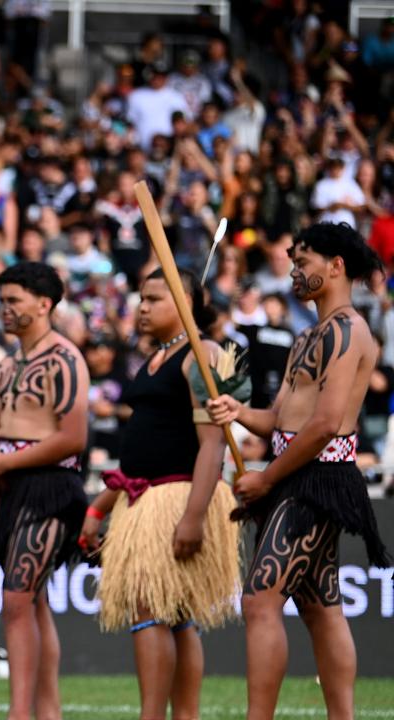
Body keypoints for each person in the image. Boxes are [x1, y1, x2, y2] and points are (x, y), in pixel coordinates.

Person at [208, 223, 391, 720]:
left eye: (303, 262)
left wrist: (267, 478)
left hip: (317, 476)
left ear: (336, 266)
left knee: (260, 600)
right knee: (319, 605)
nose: (293, 271)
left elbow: (327, 424)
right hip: (298, 471)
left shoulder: (349, 330)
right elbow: (279, 419)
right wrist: (236, 411)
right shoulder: (307, 335)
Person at [80, 268, 241, 720]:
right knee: (172, 614)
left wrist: (193, 516)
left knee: (153, 607)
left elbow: (213, 445)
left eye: (154, 298)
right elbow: (138, 454)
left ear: (188, 302)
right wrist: (99, 507)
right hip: (140, 497)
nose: (142, 307)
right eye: (141, 298)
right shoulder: (154, 357)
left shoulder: (204, 353)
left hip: (179, 497)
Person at [0, 261, 89, 720]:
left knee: (17, 599)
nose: (4, 309)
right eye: (2, 300)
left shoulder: (65, 358)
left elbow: (73, 438)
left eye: (13, 300)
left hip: (50, 488)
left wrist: (4, 458)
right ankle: (47, 711)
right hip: (8, 487)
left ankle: (19, 713)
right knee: (32, 602)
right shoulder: (3, 367)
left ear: (44, 304)